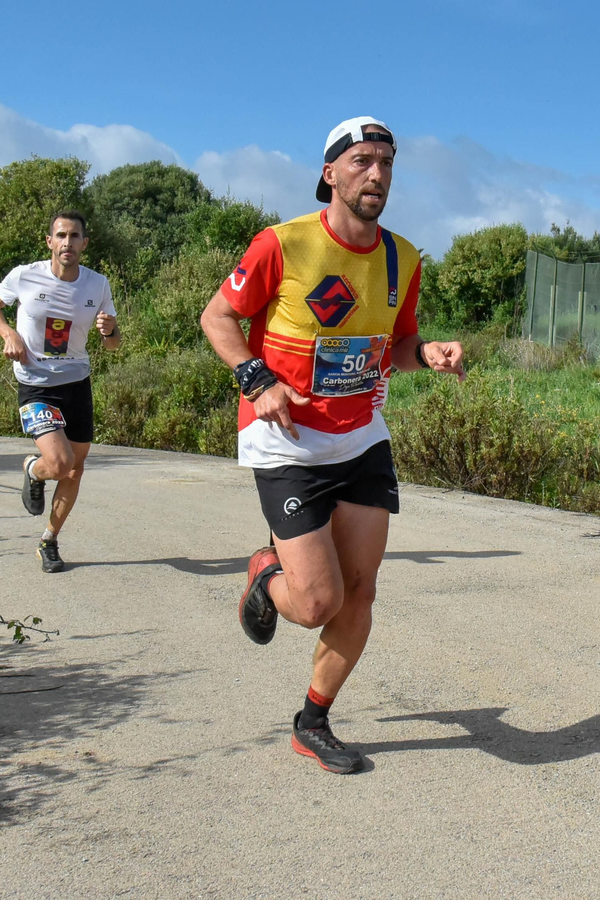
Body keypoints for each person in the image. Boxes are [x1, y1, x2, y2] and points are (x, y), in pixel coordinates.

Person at [199, 117, 466, 774]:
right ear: (330, 173)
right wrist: (255, 376)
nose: (377, 174)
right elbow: (218, 316)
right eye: (362, 161)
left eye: (387, 163)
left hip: (361, 438)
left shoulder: (404, 258)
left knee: (360, 592)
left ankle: (313, 721)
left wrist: (428, 353)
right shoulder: (282, 244)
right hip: (287, 442)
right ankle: (265, 575)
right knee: (318, 602)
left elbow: (398, 345)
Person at [0, 211, 119, 573]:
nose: (67, 242)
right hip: (36, 383)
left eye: (74, 236)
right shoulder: (25, 276)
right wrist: (9, 334)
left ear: (84, 243)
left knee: (74, 470)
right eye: (61, 235)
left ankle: (49, 540)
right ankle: (34, 469)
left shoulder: (97, 284)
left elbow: (113, 344)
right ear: (49, 241)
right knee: (59, 464)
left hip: (76, 383)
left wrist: (109, 330)